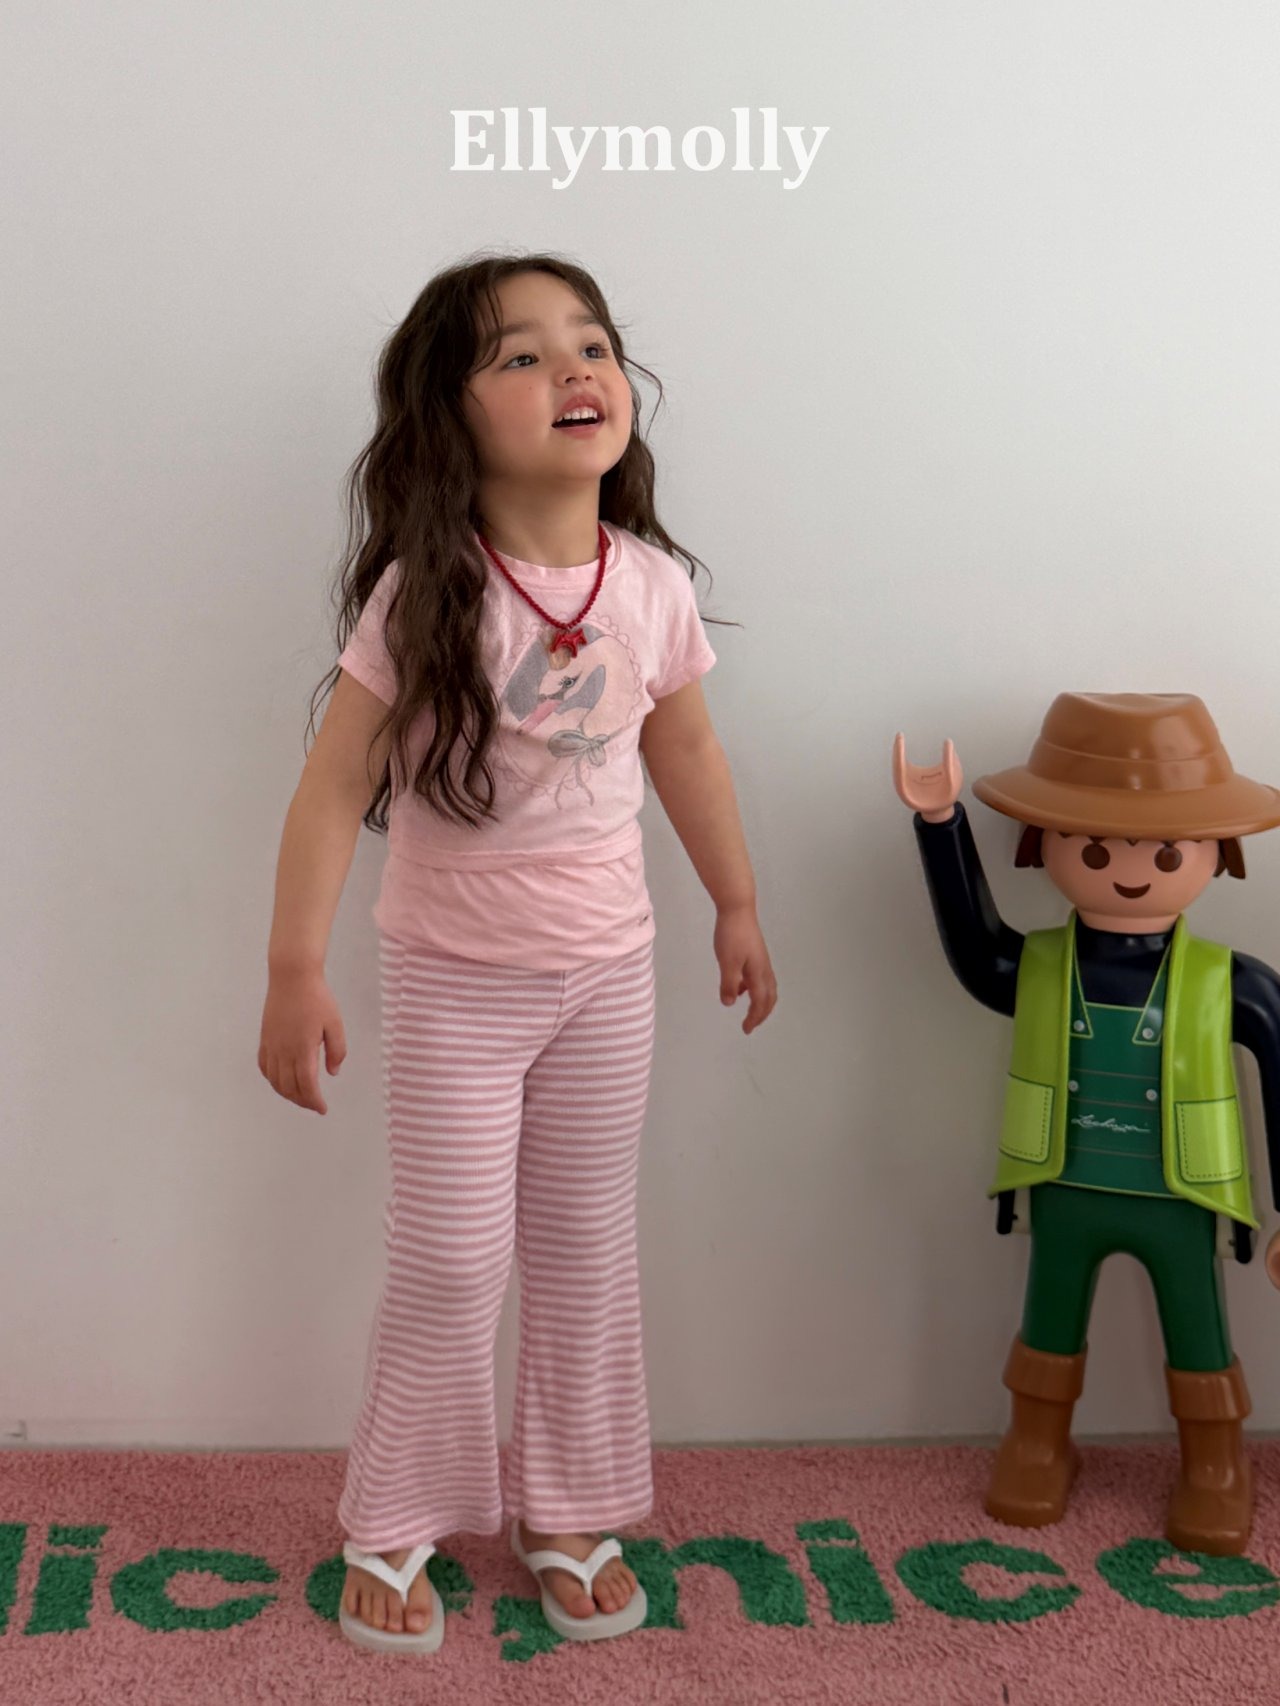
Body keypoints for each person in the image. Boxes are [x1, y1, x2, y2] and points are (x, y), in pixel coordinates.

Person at [258, 253, 777, 1653]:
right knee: (449, 1261)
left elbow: (689, 754)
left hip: (610, 976)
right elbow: (331, 788)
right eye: (521, 353)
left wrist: (734, 901)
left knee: (585, 1249)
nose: (573, 369)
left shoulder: (650, 586)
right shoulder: (425, 595)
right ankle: (396, 1512)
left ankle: (568, 1503)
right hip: (453, 983)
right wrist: (294, 970)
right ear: (449, 412)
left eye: (591, 342)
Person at [893, 693, 1280, 1556]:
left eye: (1166, 851)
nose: (1128, 871)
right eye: (1096, 849)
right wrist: (941, 825)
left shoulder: (1234, 983)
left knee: (1199, 1330)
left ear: (1216, 853)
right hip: (1063, 1185)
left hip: (1184, 1197)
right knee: (1049, 1322)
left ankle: (1215, 1464)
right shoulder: (1038, 967)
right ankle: (1037, 1445)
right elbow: (976, 950)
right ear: (1046, 844)